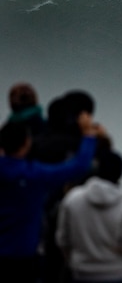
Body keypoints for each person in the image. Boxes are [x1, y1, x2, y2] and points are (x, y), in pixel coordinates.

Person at [0, 115, 104, 283]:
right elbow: (79, 166)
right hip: (23, 255)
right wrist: (88, 136)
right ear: (27, 143)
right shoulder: (34, 174)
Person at [56, 150, 122, 283]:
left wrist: (73, 260)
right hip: (114, 273)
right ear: (120, 174)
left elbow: (62, 239)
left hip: (80, 273)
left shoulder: (73, 199)